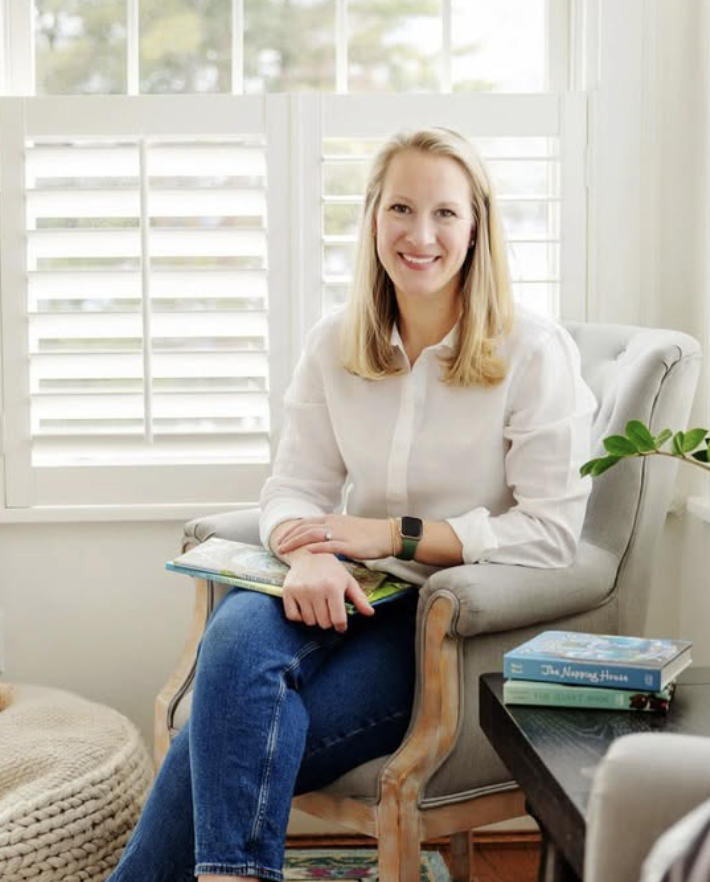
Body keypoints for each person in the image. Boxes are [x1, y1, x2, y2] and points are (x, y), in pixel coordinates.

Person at [107, 127, 595, 882]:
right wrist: (306, 552)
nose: (420, 235)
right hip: (339, 584)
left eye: (445, 213)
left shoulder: (533, 351)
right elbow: (292, 488)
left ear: (477, 228)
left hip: (439, 623)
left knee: (225, 728)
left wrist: (393, 534)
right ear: (372, 218)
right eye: (400, 208)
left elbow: (551, 532)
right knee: (236, 638)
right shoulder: (334, 343)